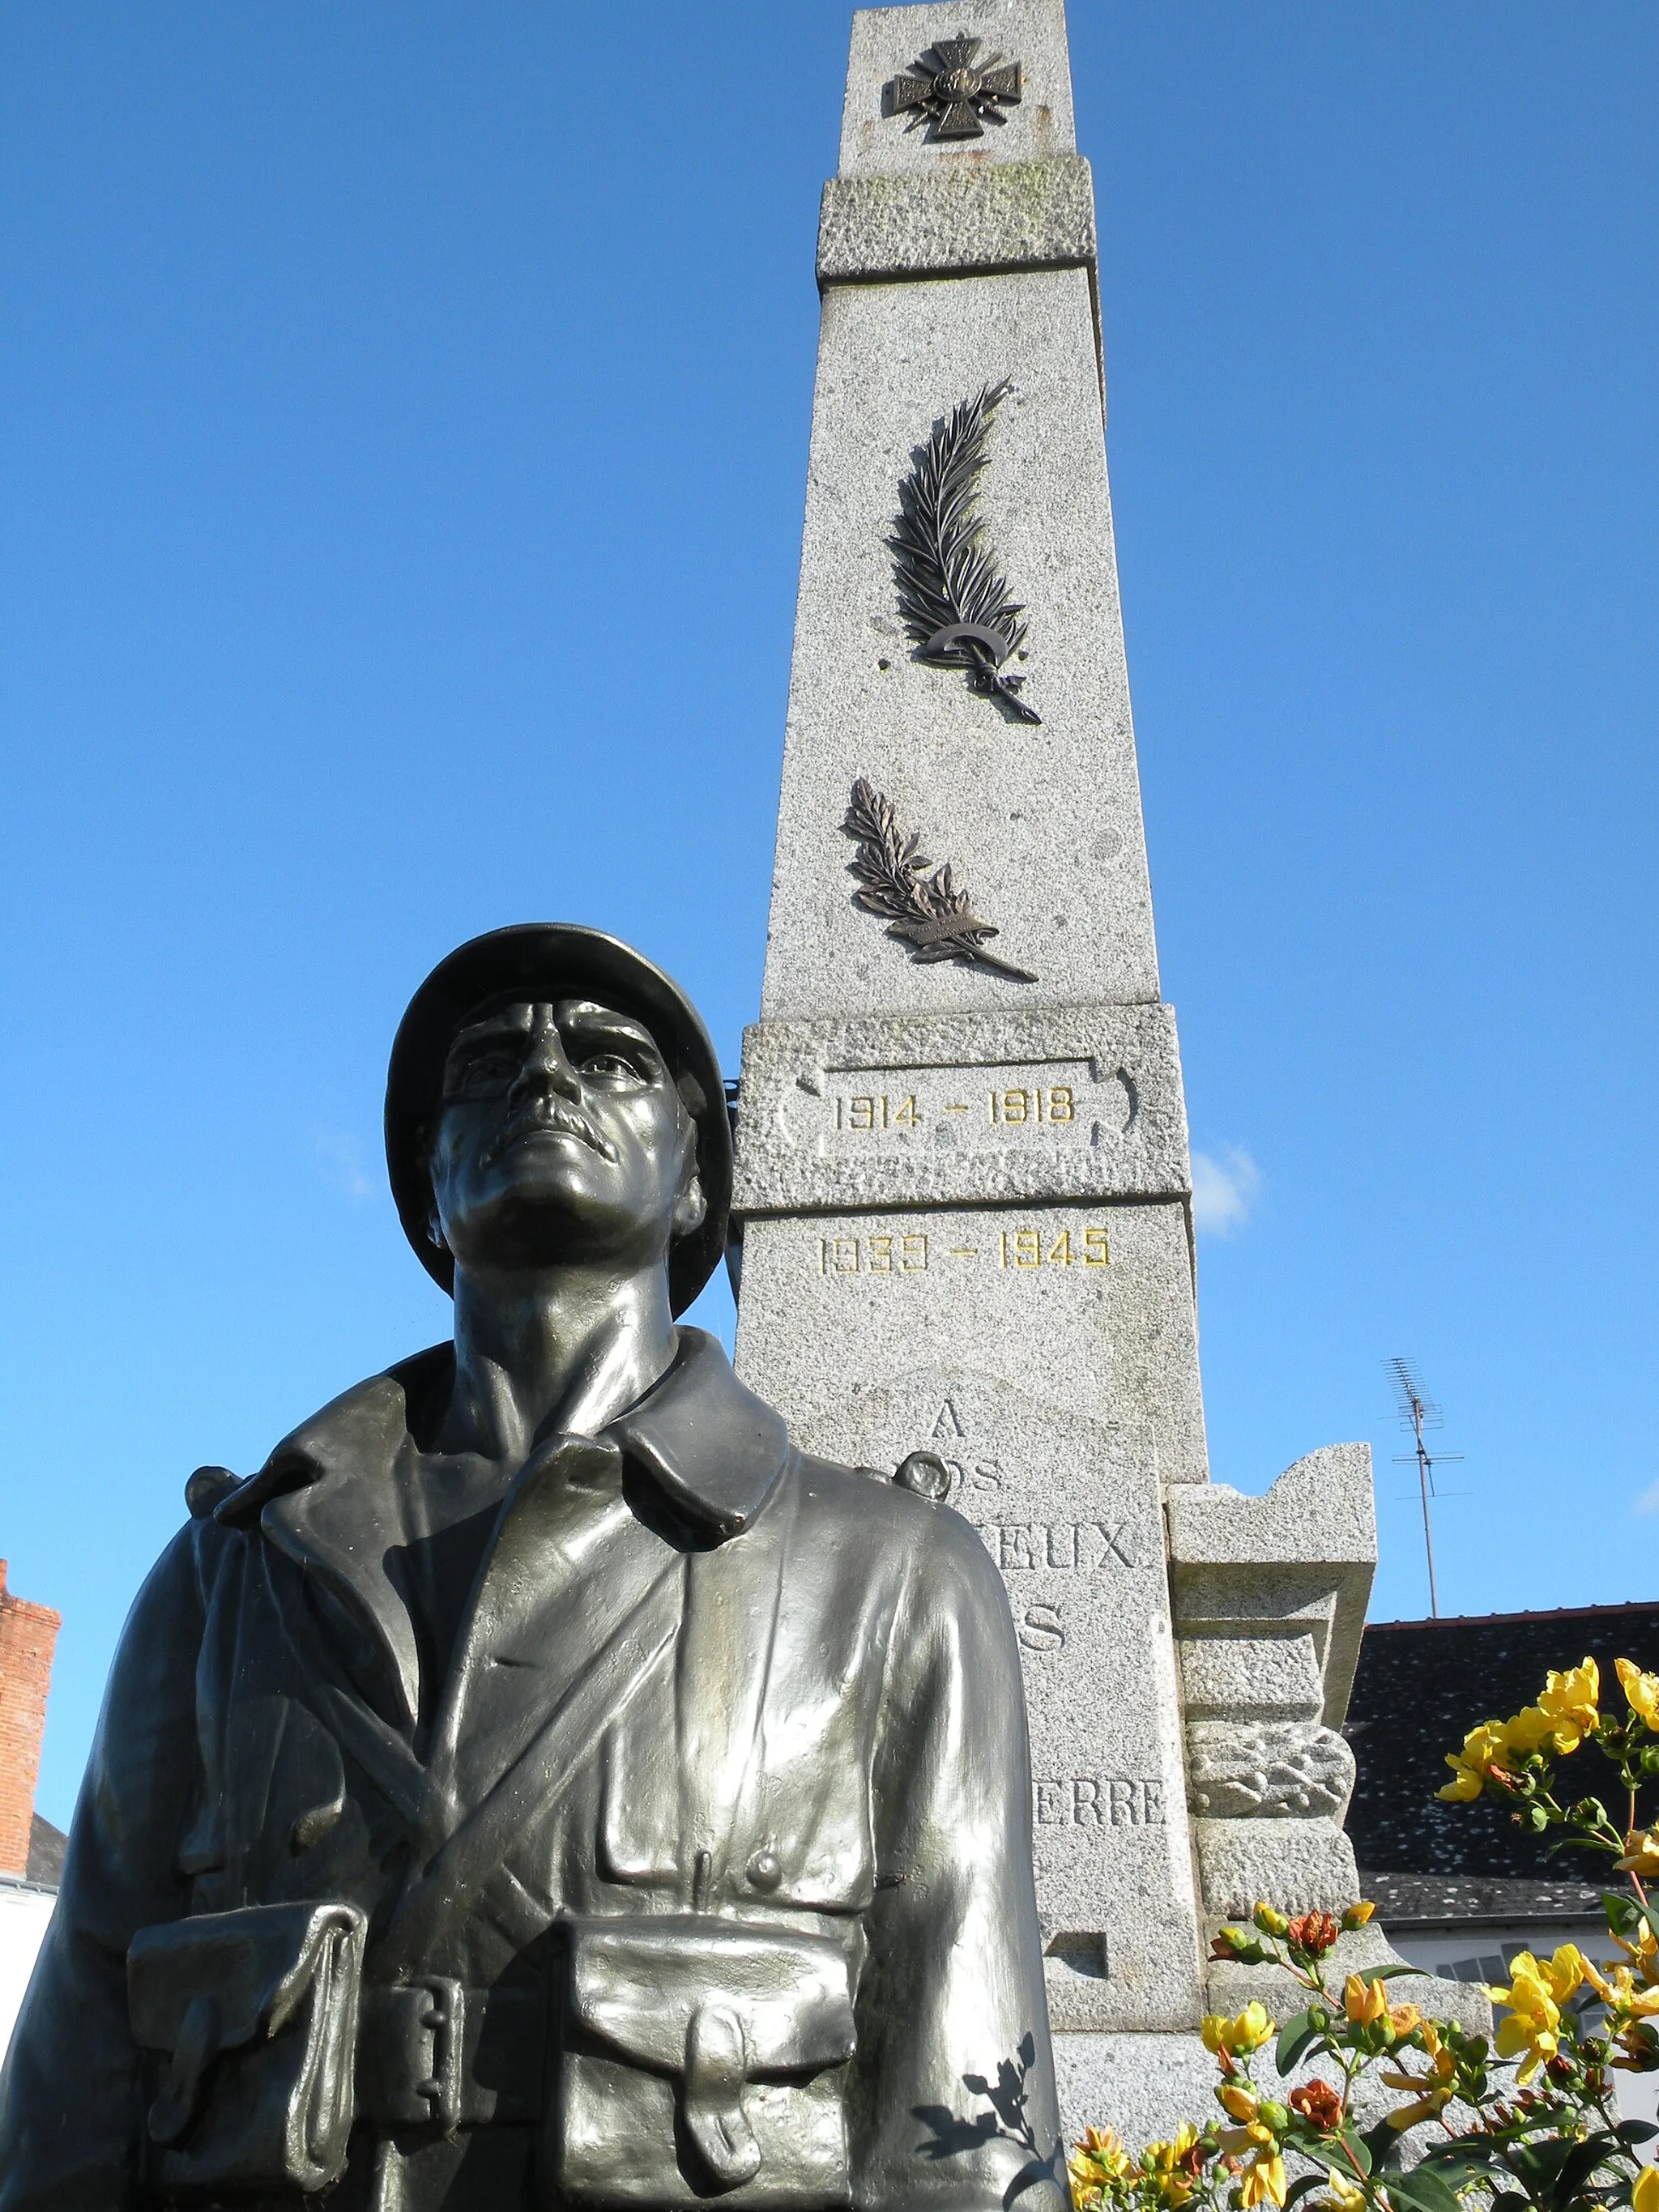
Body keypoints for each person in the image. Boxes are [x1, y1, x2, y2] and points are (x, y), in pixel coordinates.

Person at [0, 926, 1064, 2212]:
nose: (544, 1078)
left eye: (608, 1056)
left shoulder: (893, 1579)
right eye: (491, 1062)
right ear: (423, 1184)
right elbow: (70, 2101)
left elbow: (965, 2138)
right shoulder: (227, 1578)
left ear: (693, 1185)